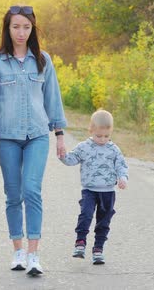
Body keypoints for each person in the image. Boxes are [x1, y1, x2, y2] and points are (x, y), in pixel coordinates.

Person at [0, 5, 67, 276]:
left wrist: (59, 136)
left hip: (37, 135)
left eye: (26, 27)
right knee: (13, 195)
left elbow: (53, 101)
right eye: (16, 27)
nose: (21, 32)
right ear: (7, 29)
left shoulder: (43, 60)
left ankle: (34, 255)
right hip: (7, 138)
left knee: (31, 190)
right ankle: (18, 251)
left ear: (32, 28)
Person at [58, 109, 128, 265]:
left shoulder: (113, 149)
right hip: (89, 190)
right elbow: (72, 159)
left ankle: (98, 249)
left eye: (106, 136)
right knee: (86, 215)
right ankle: (80, 243)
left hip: (108, 192)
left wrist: (122, 178)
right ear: (91, 130)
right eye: (98, 136)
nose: (102, 139)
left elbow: (121, 165)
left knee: (104, 221)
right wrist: (63, 155)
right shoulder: (84, 147)